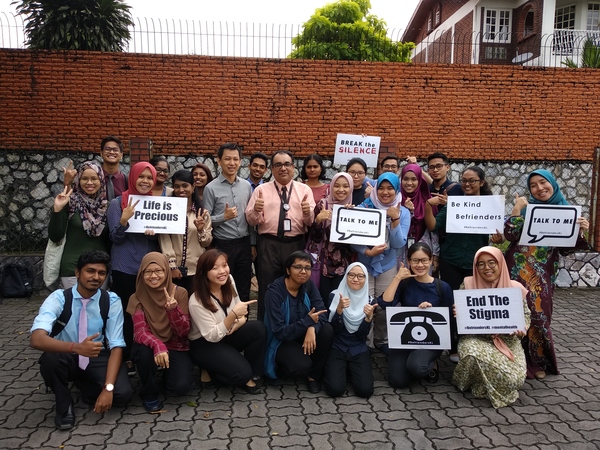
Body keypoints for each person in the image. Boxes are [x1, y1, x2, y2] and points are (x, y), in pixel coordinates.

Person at [30, 250, 133, 430]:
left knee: (122, 394)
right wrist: (76, 348)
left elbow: (116, 345)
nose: (96, 277)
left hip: (96, 354)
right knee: (50, 360)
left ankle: (86, 385)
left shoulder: (111, 300)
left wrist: (108, 388)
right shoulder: (59, 298)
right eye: (90, 271)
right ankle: (64, 406)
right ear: (77, 273)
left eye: (101, 273)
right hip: (67, 353)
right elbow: (37, 339)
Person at [504, 169, 590, 379]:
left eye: (543, 182)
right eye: (533, 185)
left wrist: (581, 231)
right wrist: (517, 209)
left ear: (552, 183)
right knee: (515, 314)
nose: (539, 188)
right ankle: (513, 358)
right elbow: (510, 234)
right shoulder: (526, 210)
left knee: (540, 316)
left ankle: (537, 362)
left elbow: (567, 249)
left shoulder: (567, 211)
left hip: (543, 273)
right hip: (516, 269)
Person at [424, 166, 497, 362]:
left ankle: (475, 344)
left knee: (474, 305)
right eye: (464, 180)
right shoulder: (453, 205)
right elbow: (433, 225)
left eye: (472, 180)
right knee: (453, 304)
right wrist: (428, 207)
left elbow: (498, 236)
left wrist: (498, 236)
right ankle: (454, 346)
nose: (467, 184)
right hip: (452, 260)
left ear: (481, 182)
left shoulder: (491, 206)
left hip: (478, 263)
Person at [452, 246, 530, 408]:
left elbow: (526, 316)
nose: (486, 268)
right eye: (480, 264)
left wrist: (522, 329)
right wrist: (459, 311)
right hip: (476, 338)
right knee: (471, 353)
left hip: (507, 340)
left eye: (491, 262)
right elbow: (463, 315)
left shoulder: (515, 288)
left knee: (515, 379)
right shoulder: (468, 284)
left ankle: (483, 384)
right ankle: (468, 381)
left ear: (500, 263)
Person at [245, 150, 316, 321]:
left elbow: (310, 222)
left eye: (287, 164)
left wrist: (308, 213)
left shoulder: (304, 190)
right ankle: (266, 329)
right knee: (267, 287)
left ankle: (293, 325)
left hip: (295, 244)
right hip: (269, 244)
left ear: (293, 167)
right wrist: (256, 210)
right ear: (271, 169)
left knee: (296, 286)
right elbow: (251, 220)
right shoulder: (261, 190)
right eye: (278, 165)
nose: (283, 168)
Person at [188, 249, 265, 393]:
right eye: (215, 268)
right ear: (204, 272)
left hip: (227, 332)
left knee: (258, 328)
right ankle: (210, 370)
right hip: (205, 343)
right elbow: (212, 336)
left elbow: (241, 311)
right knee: (241, 374)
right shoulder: (196, 301)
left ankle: (252, 372)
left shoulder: (229, 280)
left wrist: (236, 324)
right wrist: (232, 318)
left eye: (224, 265)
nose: (222, 271)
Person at [379, 243, 453, 388]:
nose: (420, 265)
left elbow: (449, 316)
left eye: (424, 260)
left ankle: (431, 363)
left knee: (417, 368)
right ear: (408, 261)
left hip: (431, 340)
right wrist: (397, 278)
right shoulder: (405, 284)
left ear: (431, 260)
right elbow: (384, 304)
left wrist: (431, 311)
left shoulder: (442, 287)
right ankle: (410, 361)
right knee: (398, 381)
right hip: (406, 338)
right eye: (415, 260)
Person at [107, 161, 159, 368]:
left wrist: (155, 232)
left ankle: (147, 353)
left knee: (149, 312)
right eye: (141, 177)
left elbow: (160, 239)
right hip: (124, 267)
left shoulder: (157, 204)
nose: (145, 181)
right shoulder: (117, 203)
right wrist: (123, 221)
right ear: (133, 177)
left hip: (148, 269)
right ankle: (125, 355)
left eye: (149, 178)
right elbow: (114, 238)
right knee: (126, 314)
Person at [127, 252, 194, 412]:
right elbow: (140, 332)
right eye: (148, 272)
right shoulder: (136, 298)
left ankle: (165, 376)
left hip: (175, 345)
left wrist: (172, 310)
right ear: (141, 274)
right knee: (143, 354)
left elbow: (184, 332)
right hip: (149, 345)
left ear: (166, 271)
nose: (153, 276)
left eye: (159, 271)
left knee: (180, 387)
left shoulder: (180, 293)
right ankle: (149, 392)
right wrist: (158, 345)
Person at [353, 172, 410, 352]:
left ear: (396, 190)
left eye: (390, 189)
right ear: (375, 190)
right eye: (381, 188)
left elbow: (399, 243)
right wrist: (367, 251)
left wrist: (395, 219)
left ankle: (382, 340)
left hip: (387, 265)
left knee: (385, 306)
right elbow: (353, 237)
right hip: (365, 264)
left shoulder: (404, 212)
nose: (385, 192)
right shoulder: (365, 207)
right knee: (365, 304)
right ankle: (365, 341)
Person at [264, 251, 334, 393]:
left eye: (307, 268)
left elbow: (322, 313)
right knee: (301, 366)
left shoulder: (308, 286)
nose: (303, 272)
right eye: (298, 267)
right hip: (281, 340)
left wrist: (312, 328)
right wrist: (307, 322)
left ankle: (313, 376)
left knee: (327, 330)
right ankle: (282, 367)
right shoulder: (275, 293)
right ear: (288, 270)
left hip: (301, 333)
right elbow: (279, 331)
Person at [203, 143, 253, 302]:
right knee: (223, 287)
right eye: (227, 159)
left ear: (240, 162)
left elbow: (250, 217)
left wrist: (253, 244)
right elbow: (205, 222)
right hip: (223, 245)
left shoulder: (246, 186)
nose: (232, 163)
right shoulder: (210, 188)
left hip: (244, 243)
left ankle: (244, 321)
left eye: (235, 159)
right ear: (219, 161)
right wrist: (222, 217)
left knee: (244, 286)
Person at [48, 162, 110, 288]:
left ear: (101, 180)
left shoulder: (107, 206)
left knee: (97, 306)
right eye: (84, 178)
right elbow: (55, 236)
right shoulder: (70, 202)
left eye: (94, 178)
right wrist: (57, 210)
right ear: (78, 180)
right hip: (73, 267)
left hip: (100, 268)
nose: (89, 183)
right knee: (76, 307)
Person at [324, 263, 375, 398]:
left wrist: (368, 319)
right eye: (351, 275)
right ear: (346, 276)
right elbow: (332, 330)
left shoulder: (369, 301)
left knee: (365, 391)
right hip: (338, 346)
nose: (355, 279)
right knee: (334, 390)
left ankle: (349, 370)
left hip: (358, 347)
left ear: (365, 279)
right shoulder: (335, 296)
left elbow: (361, 336)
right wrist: (339, 310)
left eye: (360, 276)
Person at [159, 170, 212, 294]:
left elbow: (206, 242)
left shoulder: (202, 213)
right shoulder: (167, 212)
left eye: (185, 185)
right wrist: (172, 266)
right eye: (176, 186)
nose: (181, 190)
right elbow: (164, 239)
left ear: (193, 187)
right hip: (174, 270)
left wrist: (200, 230)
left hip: (196, 269)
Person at [306, 172, 356, 304]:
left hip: (343, 265)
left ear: (350, 188)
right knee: (322, 302)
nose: (341, 190)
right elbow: (314, 238)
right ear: (331, 187)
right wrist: (318, 220)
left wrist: (352, 218)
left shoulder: (353, 208)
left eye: (345, 186)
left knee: (339, 302)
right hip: (322, 264)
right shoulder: (323, 205)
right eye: (337, 186)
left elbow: (353, 243)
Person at [399, 163, 439, 270]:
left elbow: (434, 231)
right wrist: (407, 212)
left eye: (414, 179)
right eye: (406, 179)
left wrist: (435, 254)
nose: (409, 183)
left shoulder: (427, 200)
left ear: (420, 181)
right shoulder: (395, 199)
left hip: (424, 250)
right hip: (400, 251)